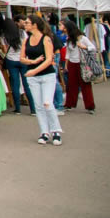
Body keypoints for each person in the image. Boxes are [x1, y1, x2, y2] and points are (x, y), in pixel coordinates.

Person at [21, 15, 63, 145]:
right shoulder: (26, 40)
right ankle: (44, 131)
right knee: (38, 105)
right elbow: (21, 58)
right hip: (33, 78)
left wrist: (34, 70)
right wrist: (32, 61)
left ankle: (56, 130)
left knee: (47, 103)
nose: (25, 24)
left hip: (46, 76)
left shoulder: (46, 39)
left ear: (35, 24)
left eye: (27, 22)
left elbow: (49, 59)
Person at [61, 19, 96, 114]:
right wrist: (66, 66)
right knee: (71, 85)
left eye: (65, 28)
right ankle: (69, 104)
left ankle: (90, 106)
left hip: (82, 64)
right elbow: (68, 53)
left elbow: (92, 47)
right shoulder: (69, 39)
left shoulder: (82, 38)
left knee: (85, 84)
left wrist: (83, 46)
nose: (64, 30)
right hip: (72, 63)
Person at [4, 15, 36, 115]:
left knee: (15, 84)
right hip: (23, 60)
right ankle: (33, 109)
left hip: (11, 60)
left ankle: (17, 108)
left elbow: (5, 50)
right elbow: (26, 46)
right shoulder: (23, 33)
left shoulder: (4, 35)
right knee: (26, 84)